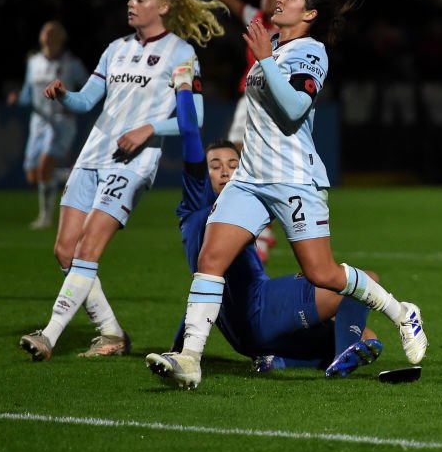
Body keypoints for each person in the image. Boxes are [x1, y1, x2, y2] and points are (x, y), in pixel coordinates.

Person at [146, 0, 427, 389]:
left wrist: (262, 61)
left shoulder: (311, 52)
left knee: (323, 273)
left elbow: (296, 107)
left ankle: (402, 313)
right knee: (211, 259)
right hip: (250, 181)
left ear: (309, 14)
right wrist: (265, 58)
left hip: (293, 179)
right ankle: (189, 359)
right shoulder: (275, 51)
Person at [19, 0, 226, 361]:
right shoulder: (115, 49)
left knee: (88, 248)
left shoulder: (182, 54)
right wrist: (64, 96)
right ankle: (111, 333)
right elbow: (85, 101)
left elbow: (194, 117)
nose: (131, 3)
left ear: (162, 6)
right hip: (91, 156)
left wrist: (149, 129)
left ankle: (49, 335)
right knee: (65, 250)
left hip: (131, 164)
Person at [147, 66, 382, 381]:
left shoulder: (243, 205)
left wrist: (178, 347)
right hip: (263, 311)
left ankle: (284, 361)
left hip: (245, 337)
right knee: (364, 281)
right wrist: (186, 87)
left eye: (233, 165)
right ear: (202, 174)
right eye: (215, 166)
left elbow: (202, 293)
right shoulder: (195, 206)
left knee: (366, 334)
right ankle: (340, 363)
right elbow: (190, 131)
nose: (225, 172)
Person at [178, 0, 358, 262]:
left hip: (278, 103)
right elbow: (231, 1)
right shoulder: (262, 21)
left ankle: (259, 225)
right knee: (235, 158)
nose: (273, 0)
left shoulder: (301, 43)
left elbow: (312, 7)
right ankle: (250, 224)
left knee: (320, 271)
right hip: (254, 96)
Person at [7, 21, 88, 229]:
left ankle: (45, 218)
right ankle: (77, 173)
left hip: (61, 121)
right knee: (34, 176)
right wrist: (17, 98)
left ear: (63, 37)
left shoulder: (72, 63)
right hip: (39, 122)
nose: (49, 35)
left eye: (54, 32)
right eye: (46, 31)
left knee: (44, 167)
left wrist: (75, 102)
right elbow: (28, 94)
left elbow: (89, 88)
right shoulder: (34, 62)